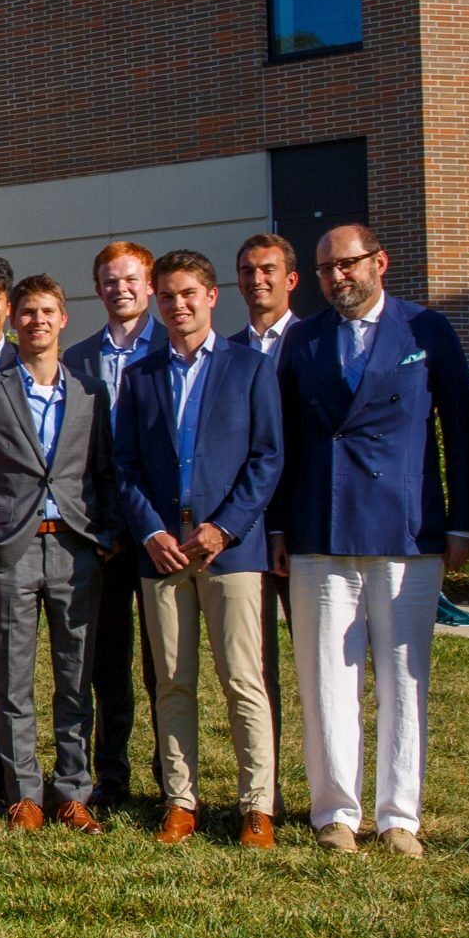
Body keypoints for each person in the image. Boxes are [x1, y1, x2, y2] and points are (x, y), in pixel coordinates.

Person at [272, 224, 469, 857]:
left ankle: (398, 818)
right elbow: (280, 439)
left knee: (403, 680)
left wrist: (463, 522)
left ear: (379, 262)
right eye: (326, 268)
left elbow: (461, 430)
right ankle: (335, 814)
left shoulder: (427, 330)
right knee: (326, 680)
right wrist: (278, 526)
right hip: (320, 529)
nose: (337, 277)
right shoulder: (302, 338)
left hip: (406, 529)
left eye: (348, 264)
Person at [0, 274, 121, 834]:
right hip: (9, 552)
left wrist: (106, 534)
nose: (38, 321)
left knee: (74, 676)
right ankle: (24, 793)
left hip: (75, 549)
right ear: (15, 321)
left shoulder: (90, 392)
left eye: (47, 312)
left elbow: (104, 470)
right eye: (29, 312)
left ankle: (73, 790)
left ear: (64, 319)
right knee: (12, 678)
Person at [111, 251, 284, 848]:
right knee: (172, 681)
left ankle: (257, 806)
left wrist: (225, 528)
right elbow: (125, 466)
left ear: (212, 296)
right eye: (167, 296)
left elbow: (267, 459)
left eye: (188, 294)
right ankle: (180, 801)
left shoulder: (250, 368)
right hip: (162, 552)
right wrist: (151, 532)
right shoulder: (141, 376)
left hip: (228, 551)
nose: (177, 305)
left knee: (243, 680)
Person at [65, 241, 160, 809]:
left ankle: (171, 776)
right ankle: (112, 772)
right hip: (100, 535)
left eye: (130, 279)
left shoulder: (172, 347)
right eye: (109, 280)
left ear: (149, 285)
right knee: (106, 662)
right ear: (97, 288)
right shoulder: (77, 358)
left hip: (159, 533)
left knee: (163, 663)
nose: (120, 289)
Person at [231, 231, 301, 791]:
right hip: (244, 532)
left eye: (268, 270)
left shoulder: (316, 343)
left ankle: (331, 797)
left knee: (321, 672)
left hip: (305, 530)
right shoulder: (226, 353)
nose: (258, 280)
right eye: (248, 271)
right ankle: (264, 792)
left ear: (290, 279)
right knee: (254, 670)